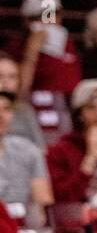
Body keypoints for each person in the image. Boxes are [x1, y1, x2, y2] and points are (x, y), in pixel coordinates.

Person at [47, 78, 97, 204]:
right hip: (74, 219)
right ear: (79, 115)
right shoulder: (59, 151)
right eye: (91, 108)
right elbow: (62, 201)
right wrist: (90, 159)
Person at [10, 0, 82, 98]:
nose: (45, 22)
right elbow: (19, 91)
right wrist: (31, 52)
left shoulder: (68, 42)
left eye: (50, 15)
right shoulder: (18, 45)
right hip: (37, 107)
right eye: (37, 17)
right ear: (26, 21)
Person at [0, 91, 53, 221]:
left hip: (22, 229)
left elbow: (43, 208)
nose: (1, 115)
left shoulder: (29, 150)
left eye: (6, 109)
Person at [0, 56, 46, 150]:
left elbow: (40, 148)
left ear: (19, 82)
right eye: (0, 76)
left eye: (12, 76)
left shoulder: (26, 111)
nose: (5, 81)